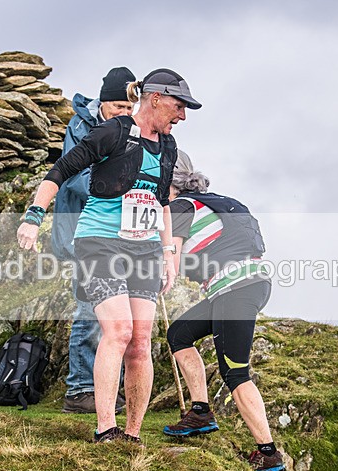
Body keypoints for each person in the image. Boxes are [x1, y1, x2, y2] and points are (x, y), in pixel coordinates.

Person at [18, 69, 201, 443]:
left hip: (145, 246)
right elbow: (60, 171)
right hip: (99, 241)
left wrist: (168, 252)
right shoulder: (113, 131)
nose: (181, 116)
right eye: (178, 106)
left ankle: (132, 433)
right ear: (155, 99)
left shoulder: (169, 148)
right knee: (118, 331)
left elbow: (162, 202)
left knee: (141, 340)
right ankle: (106, 428)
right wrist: (33, 218)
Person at [163, 151, 285, 471]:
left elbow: (170, 262)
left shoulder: (179, 207)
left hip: (235, 289)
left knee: (235, 373)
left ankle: (268, 453)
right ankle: (201, 411)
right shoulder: (218, 202)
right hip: (243, 284)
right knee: (179, 334)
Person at [53, 67, 136, 414]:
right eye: (119, 107)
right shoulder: (81, 128)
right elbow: (73, 177)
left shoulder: (132, 131)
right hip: (83, 231)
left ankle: (104, 387)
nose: (125, 115)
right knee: (89, 307)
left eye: (130, 109)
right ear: (103, 103)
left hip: (118, 236)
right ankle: (80, 389)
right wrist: (120, 191)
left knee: (115, 312)